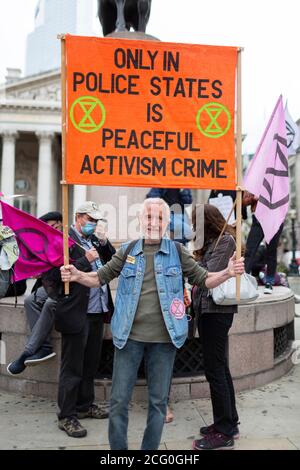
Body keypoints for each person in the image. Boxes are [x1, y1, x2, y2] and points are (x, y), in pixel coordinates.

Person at [60, 197, 245, 450]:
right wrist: (78, 274)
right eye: (149, 217)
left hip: (164, 342)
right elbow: (99, 278)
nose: (154, 222)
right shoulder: (127, 250)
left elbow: (204, 280)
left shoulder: (177, 252)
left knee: (158, 405)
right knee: (118, 402)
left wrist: (227, 272)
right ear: (140, 220)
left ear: (167, 223)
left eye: (160, 218)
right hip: (128, 339)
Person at [55, 201, 115, 438]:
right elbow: (55, 275)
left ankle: (84, 405)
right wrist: (84, 261)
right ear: (78, 217)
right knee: (72, 367)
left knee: (90, 364)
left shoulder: (93, 241)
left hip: (96, 311)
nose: (93, 224)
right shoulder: (64, 240)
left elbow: (113, 262)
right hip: (75, 312)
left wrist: (102, 241)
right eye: (90, 219)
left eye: (96, 220)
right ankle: (67, 416)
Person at [191, 204, 240, 451]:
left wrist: (191, 266)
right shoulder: (213, 241)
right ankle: (230, 421)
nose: (193, 228)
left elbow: (208, 275)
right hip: (208, 311)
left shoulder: (226, 240)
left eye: (195, 222)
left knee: (215, 370)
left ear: (206, 222)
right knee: (220, 367)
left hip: (217, 312)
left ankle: (224, 432)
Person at [7, 211, 63, 375]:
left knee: (50, 303)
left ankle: (27, 352)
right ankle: (44, 346)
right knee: (31, 301)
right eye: (49, 227)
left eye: (54, 226)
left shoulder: (69, 240)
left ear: (61, 223)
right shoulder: (46, 241)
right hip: (52, 284)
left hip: (71, 286)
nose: (52, 229)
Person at [243, 191, 284, 294]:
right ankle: (243, 279)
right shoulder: (253, 179)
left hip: (275, 217)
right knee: (249, 250)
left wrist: (263, 198)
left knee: (271, 250)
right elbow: (244, 201)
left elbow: (282, 198)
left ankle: (269, 282)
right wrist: (253, 197)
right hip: (258, 218)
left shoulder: (276, 180)